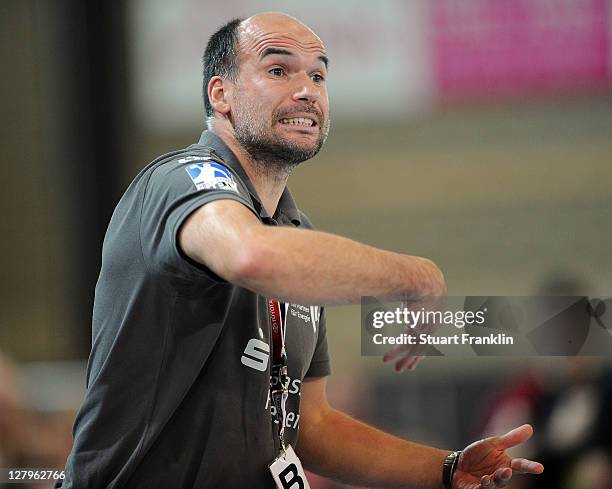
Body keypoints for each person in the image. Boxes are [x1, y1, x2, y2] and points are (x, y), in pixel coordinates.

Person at [58, 12, 544, 489]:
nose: (307, 88)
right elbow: (251, 257)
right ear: (220, 94)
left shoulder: (295, 231)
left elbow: (312, 428)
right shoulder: (183, 178)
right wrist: (414, 274)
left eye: (318, 74)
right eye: (277, 70)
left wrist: (444, 468)